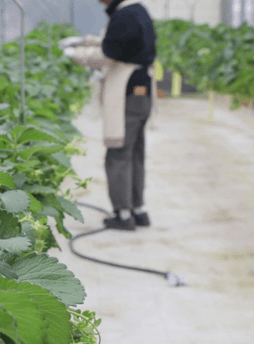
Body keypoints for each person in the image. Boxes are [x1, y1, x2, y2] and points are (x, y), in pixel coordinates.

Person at [59, 0, 158, 231]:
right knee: (134, 151)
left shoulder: (125, 15)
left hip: (126, 93)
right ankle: (137, 210)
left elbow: (109, 53)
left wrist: (76, 54)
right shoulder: (138, 11)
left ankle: (123, 214)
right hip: (141, 93)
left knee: (118, 152)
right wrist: (83, 42)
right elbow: (118, 44)